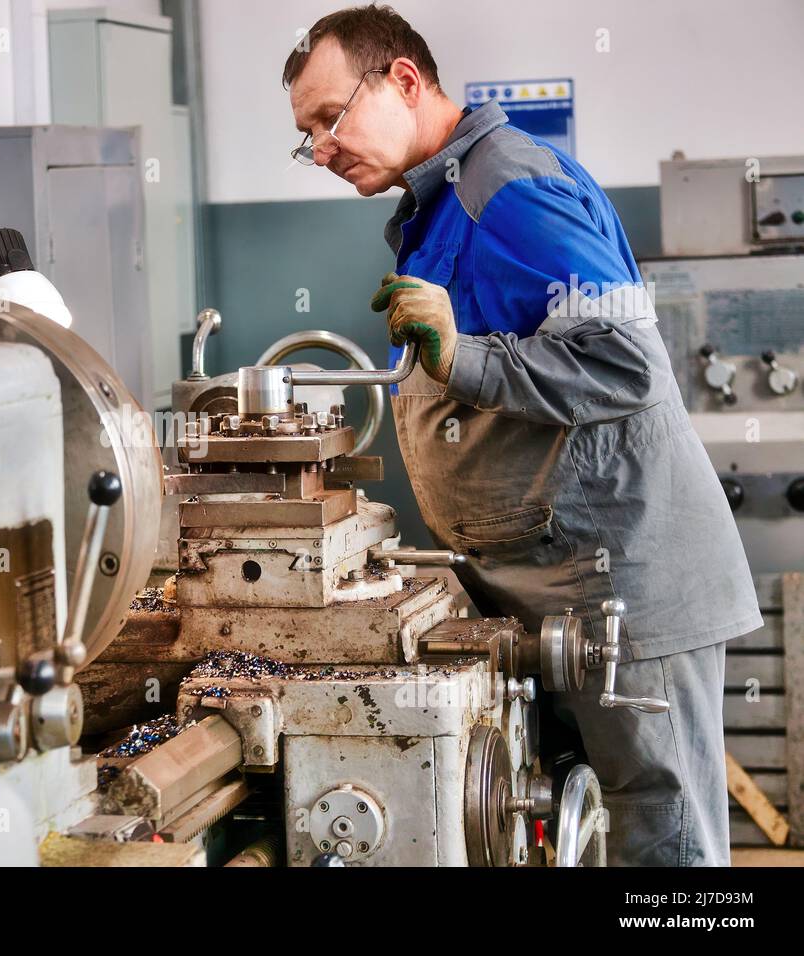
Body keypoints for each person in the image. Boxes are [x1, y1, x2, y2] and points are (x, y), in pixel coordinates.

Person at [283, 4, 761, 865]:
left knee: (668, 840)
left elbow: (626, 364)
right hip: (553, 583)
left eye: (330, 116)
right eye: (307, 134)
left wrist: (462, 356)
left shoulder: (507, 187)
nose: (321, 147)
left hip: (624, 588)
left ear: (402, 78)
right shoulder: (440, 202)